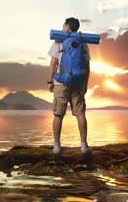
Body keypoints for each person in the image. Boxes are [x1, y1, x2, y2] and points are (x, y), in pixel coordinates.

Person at [47, 17, 91, 155]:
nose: (62, 27)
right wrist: (85, 84)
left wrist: (50, 81)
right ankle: (84, 146)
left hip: (61, 82)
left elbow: (53, 63)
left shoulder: (58, 41)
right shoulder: (83, 43)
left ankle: (57, 146)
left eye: (63, 25)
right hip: (78, 82)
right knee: (80, 113)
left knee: (58, 115)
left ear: (67, 26)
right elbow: (87, 66)